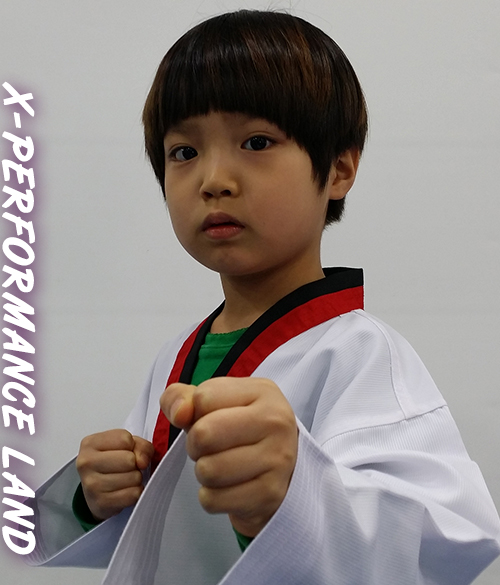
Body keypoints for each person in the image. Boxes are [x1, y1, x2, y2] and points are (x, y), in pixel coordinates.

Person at [26, 9, 500, 585]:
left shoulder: (362, 356)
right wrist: (96, 497)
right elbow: (163, 537)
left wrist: (297, 492)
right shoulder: (176, 355)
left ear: (339, 169)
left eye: (256, 142)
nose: (214, 180)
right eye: (184, 152)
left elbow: (444, 541)